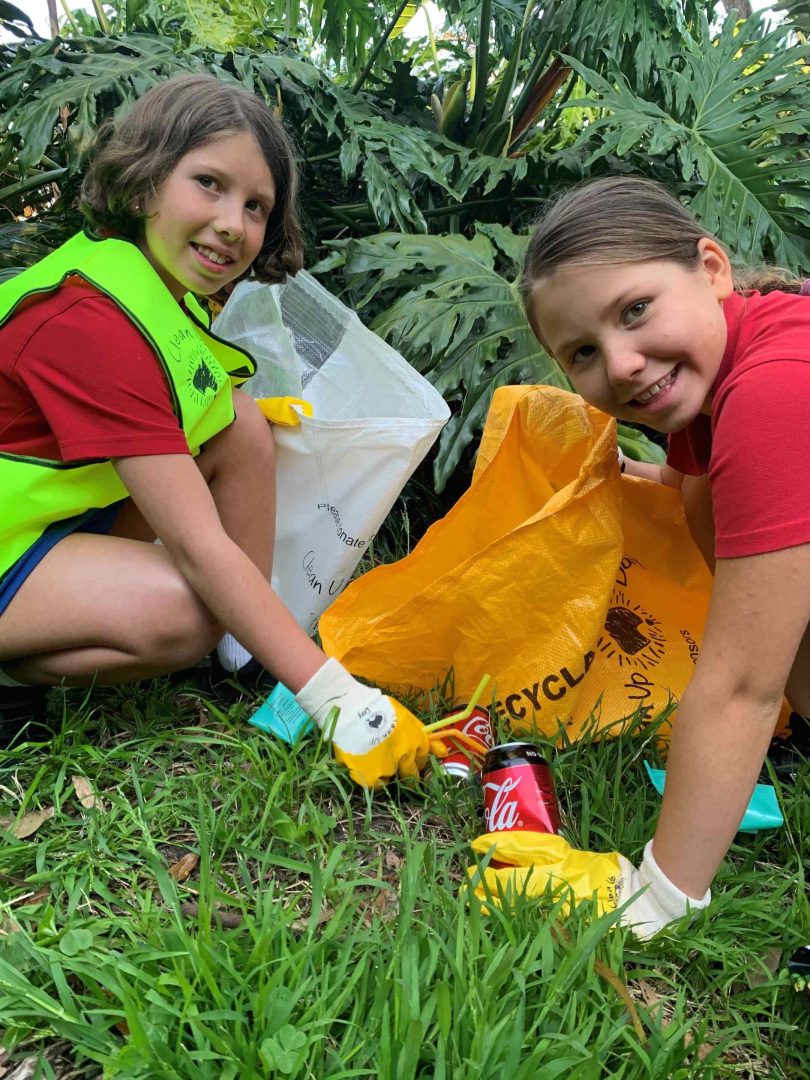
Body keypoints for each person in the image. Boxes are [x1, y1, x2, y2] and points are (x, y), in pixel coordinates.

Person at [0, 73, 440, 789]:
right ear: (143, 185)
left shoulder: (156, 293)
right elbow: (199, 546)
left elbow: (216, 432)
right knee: (185, 606)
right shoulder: (92, 321)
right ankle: (13, 670)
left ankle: (248, 650)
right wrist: (338, 699)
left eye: (256, 205)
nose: (234, 223)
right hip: (10, 540)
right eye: (209, 183)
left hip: (35, 521)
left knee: (236, 421)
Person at [515, 175, 810, 937]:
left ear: (711, 268)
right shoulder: (725, 372)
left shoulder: (775, 391)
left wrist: (661, 895)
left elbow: (743, 682)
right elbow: (702, 495)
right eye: (582, 352)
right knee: (699, 498)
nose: (620, 365)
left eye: (635, 311)